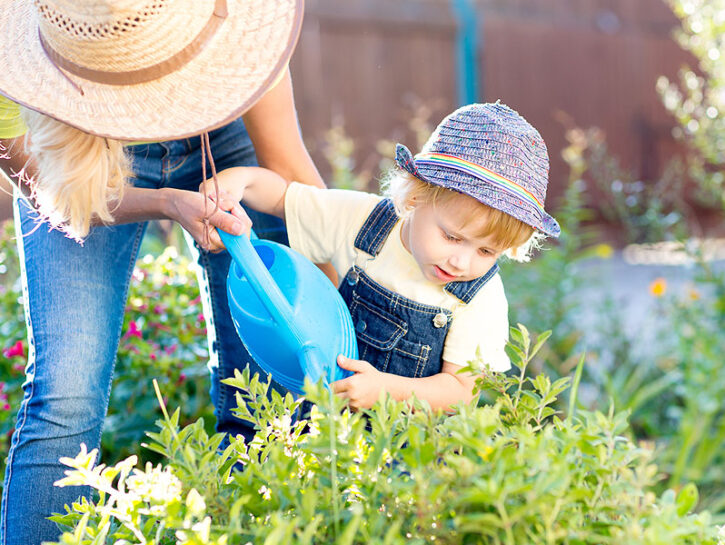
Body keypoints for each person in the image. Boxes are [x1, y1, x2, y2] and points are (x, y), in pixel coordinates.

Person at [0, 1, 327, 544]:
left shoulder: (233, 22)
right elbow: (58, 193)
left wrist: (353, 293)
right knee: (66, 396)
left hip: (223, 131)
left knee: (266, 389)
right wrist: (166, 202)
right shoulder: (14, 65)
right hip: (74, 149)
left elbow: (290, 171)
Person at [200, 102, 562, 411]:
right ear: (417, 196)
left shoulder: (480, 295)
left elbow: (461, 392)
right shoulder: (363, 222)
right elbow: (283, 198)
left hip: (408, 449)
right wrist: (241, 181)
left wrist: (386, 391)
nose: (462, 263)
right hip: (327, 427)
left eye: (487, 251)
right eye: (451, 236)